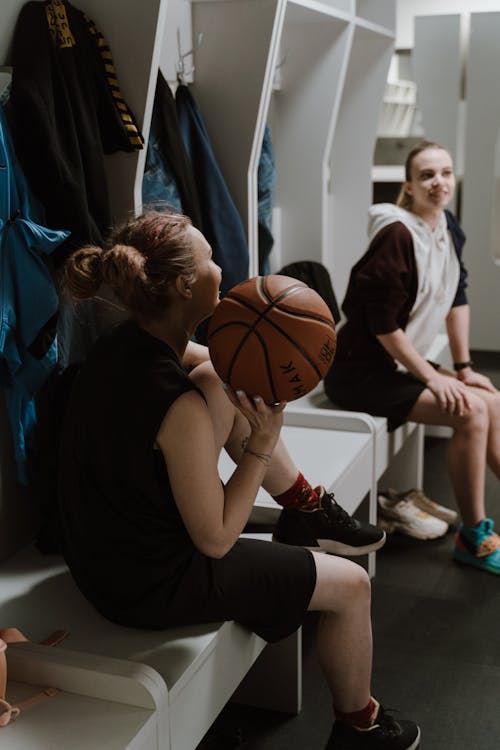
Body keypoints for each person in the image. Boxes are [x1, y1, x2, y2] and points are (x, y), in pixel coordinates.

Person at [57, 210, 419, 749]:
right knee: (352, 586)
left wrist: (267, 362)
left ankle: (306, 507)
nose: (220, 266)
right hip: (147, 582)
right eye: (209, 260)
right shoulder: (176, 407)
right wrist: (261, 444)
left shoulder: (125, 345)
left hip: (99, 553)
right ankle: (359, 727)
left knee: (223, 376)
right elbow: (216, 539)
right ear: (185, 285)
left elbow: (225, 368)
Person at [325, 140, 500, 574]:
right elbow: (383, 326)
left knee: (491, 400)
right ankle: (473, 537)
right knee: (471, 413)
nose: (438, 182)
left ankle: (476, 529)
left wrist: (462, 368)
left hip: (401, 364)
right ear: (409, 185)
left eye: (445, 172)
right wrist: (436, 379)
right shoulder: (396, 234)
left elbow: (457, 295)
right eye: (427, 175)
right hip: (361, 372)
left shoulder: (447, 225)